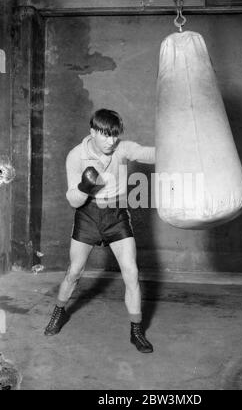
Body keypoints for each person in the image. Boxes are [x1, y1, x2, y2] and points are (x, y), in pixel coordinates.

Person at [44, 109, 155, 353]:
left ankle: (136, 330)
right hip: (88, 215)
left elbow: (147, 153)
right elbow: (74, 201)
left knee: (131, 273)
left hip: (116, 214)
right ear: (92, 132)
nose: (111, 141)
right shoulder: (76, 156)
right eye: (105, 135)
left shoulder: (122, 149)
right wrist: (86, 185)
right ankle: (59, 313)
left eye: (115, 136)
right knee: (74, 271)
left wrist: (181, 150)